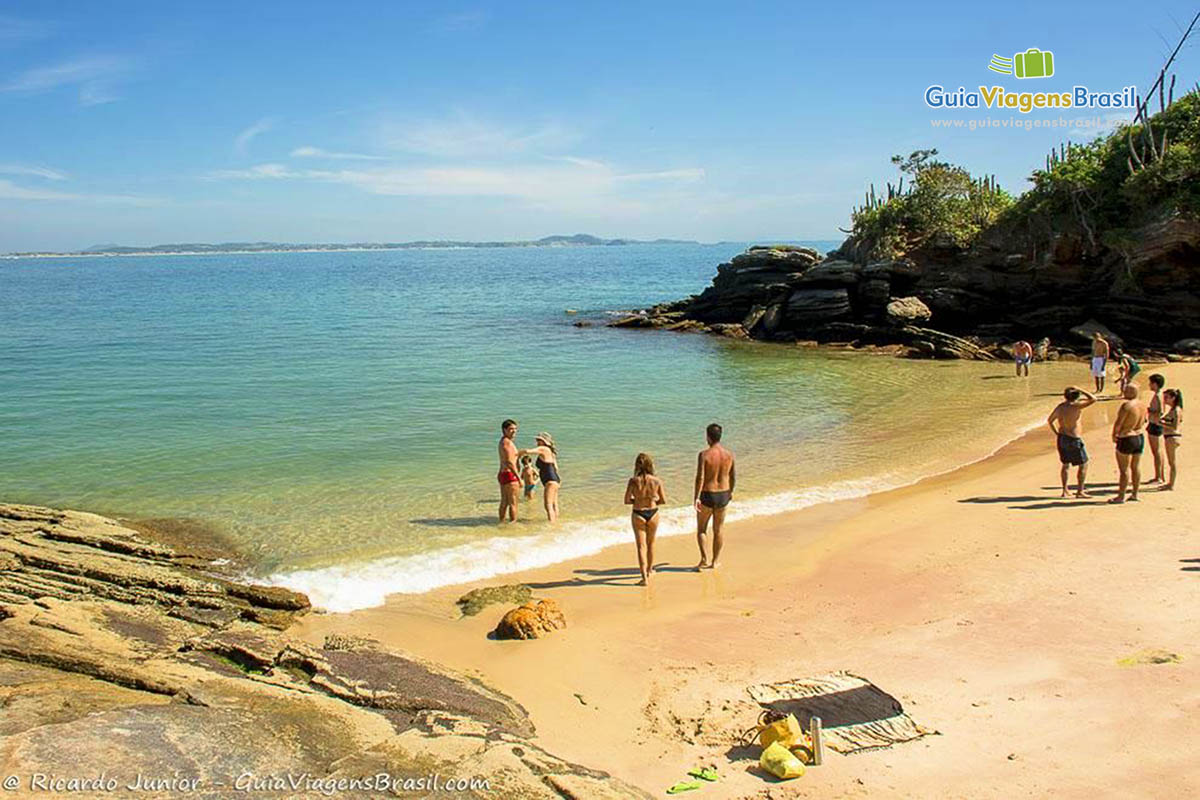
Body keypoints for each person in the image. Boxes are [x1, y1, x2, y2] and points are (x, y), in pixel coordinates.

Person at [693, 423, 735, 571]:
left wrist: (696, 498)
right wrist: (730, 492)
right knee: (719, 530)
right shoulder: (729, 455)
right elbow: (732, 476)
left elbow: (700, 478)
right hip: (723, 494)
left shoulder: (704, 455)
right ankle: (715, 561)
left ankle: (704, 559)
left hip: (707, 495)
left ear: (708, 437)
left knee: (702, 529)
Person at [624, 453, 667, 586]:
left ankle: (644, 578)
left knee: (641, 546)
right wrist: (651, 502)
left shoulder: (633, 481)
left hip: (638, 513)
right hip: (653, 513)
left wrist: (637, 501)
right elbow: (663, 500)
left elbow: (626, 500)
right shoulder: (657, 481)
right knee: (651, 544)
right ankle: (649, 570)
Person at [1047, 386, 1096, 497]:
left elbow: (1050, 421)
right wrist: (1081, 388)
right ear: (1077, 396)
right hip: (1074, 438)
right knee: (1083, 464)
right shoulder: (1076, 406)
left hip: (1062, 437)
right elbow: (1093, 399)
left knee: (1065, 465)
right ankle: (1080, 491)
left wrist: (1056, 433)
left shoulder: (1060, 407)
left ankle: (1065, 490)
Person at [1110, 384, 1148, 504]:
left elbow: (1119, 423)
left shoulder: (1126, 406)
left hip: (1127, 437)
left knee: (1124, 469)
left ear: (1131, 392)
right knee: (1136, 467)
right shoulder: (1142, 404)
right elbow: (1145, 420)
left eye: (1125, 390)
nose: (1123, 392)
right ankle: (1135, 494)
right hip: (1139, 436)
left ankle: (1121, 496)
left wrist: (1114, 435)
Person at [518, 432, 561, 522]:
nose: (537, 442)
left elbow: (528, 451)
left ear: (544, 441)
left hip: (549, 480)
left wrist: (518, 453)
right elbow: (556, 468)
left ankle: (552, 525)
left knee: (548, 505)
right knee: (554, 504)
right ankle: (556, 522)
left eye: (538, 440)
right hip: (555, 480)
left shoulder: (543, 449)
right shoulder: (551, 452)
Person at [497, 419, 522, 522]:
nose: (514, 431)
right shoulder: (507, 443)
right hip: (510, 474)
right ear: (504, 430)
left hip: (504, 473)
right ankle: (513, 523)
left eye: (515, 429)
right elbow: (508, 461)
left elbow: (504, 460)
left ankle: (501, 522)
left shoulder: (503, 441)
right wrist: (519, 477)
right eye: (511, 429)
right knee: (513, 502)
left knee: (505, 501)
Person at [1160, 388, 1183, 491]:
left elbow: (1174, 426)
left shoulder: (1176, 410)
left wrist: (1161, 423)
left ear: (1173, 398)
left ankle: (1171, 484)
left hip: (1172, 437)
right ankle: (1170, 483)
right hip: (1170, 437)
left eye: (1166, 398)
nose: (1165, 400)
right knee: (1171, 462)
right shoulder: (1173, 409)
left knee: (1172, 462)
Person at [1147, 373, 1166, 484]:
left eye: (1151, 383)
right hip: (1155, 424)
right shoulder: (1159, 395)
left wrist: (1149, 411)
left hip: (1155, 424)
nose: (1149, 385)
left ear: (1155, 384)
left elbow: (1160, 412)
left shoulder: (1158, 396)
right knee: (1157, 452)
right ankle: (1159, 475)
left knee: (1157, 452)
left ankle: (1158, 476)